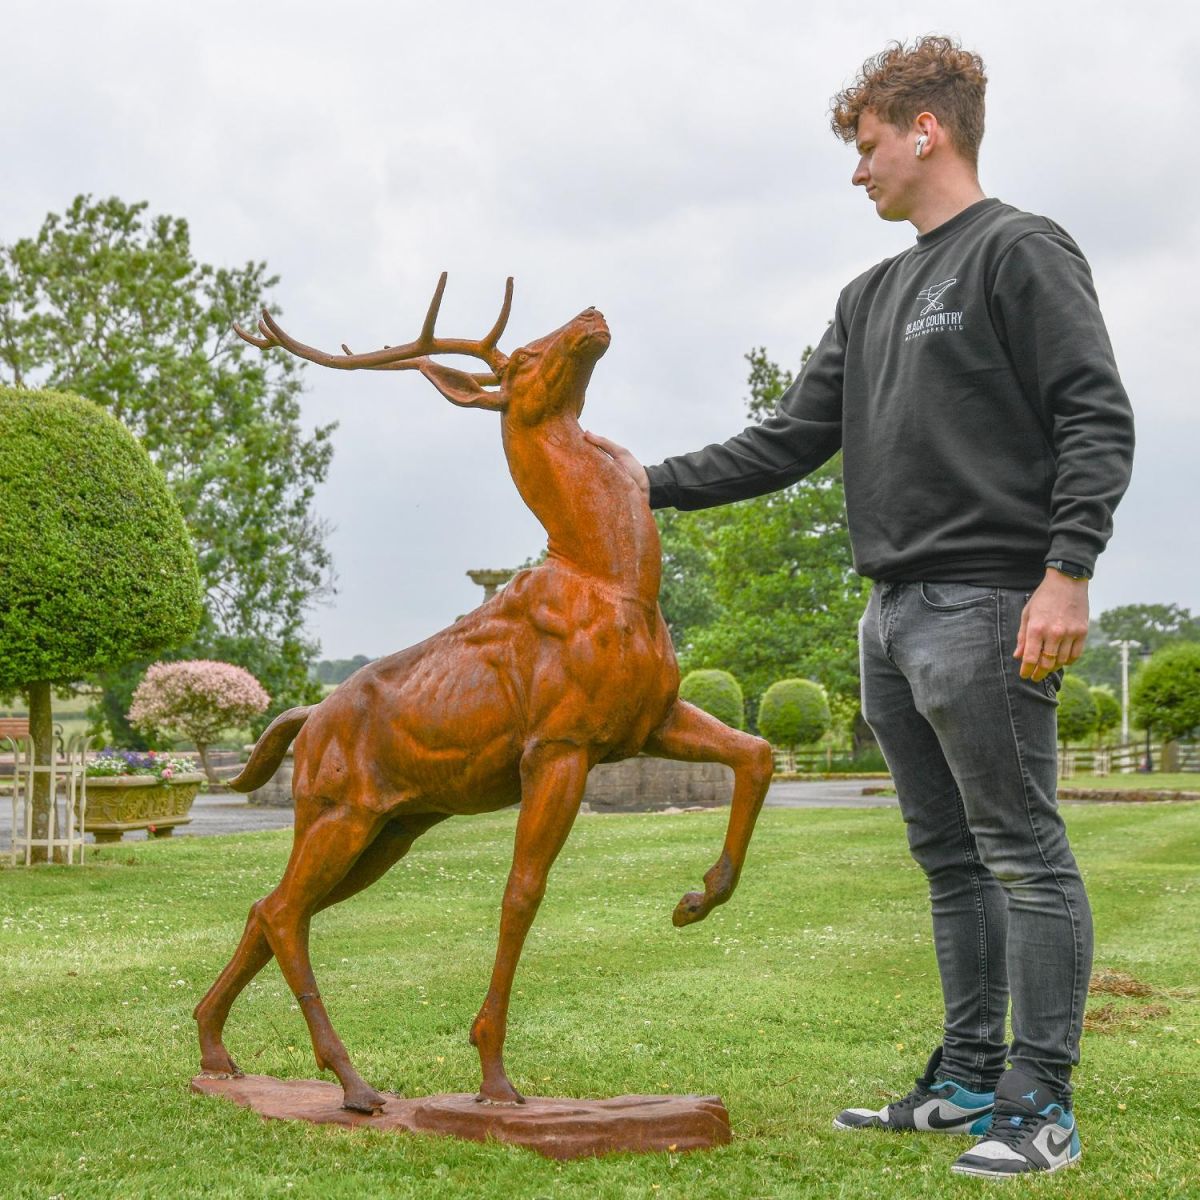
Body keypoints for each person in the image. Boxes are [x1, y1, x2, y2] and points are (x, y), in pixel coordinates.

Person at [587, 35, 1134, 1180]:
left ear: (924, 129)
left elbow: (1093, 411)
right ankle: (969, 1079)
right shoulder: (872, 294)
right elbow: (787, 440)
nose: (858, 172)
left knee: (1023, 853)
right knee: (949, 860)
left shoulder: (1020, 253)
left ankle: (1042, 1105)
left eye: (868, 145)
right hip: (889, 617)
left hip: (989, 604)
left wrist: (1068, 569)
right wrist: (635, 481)